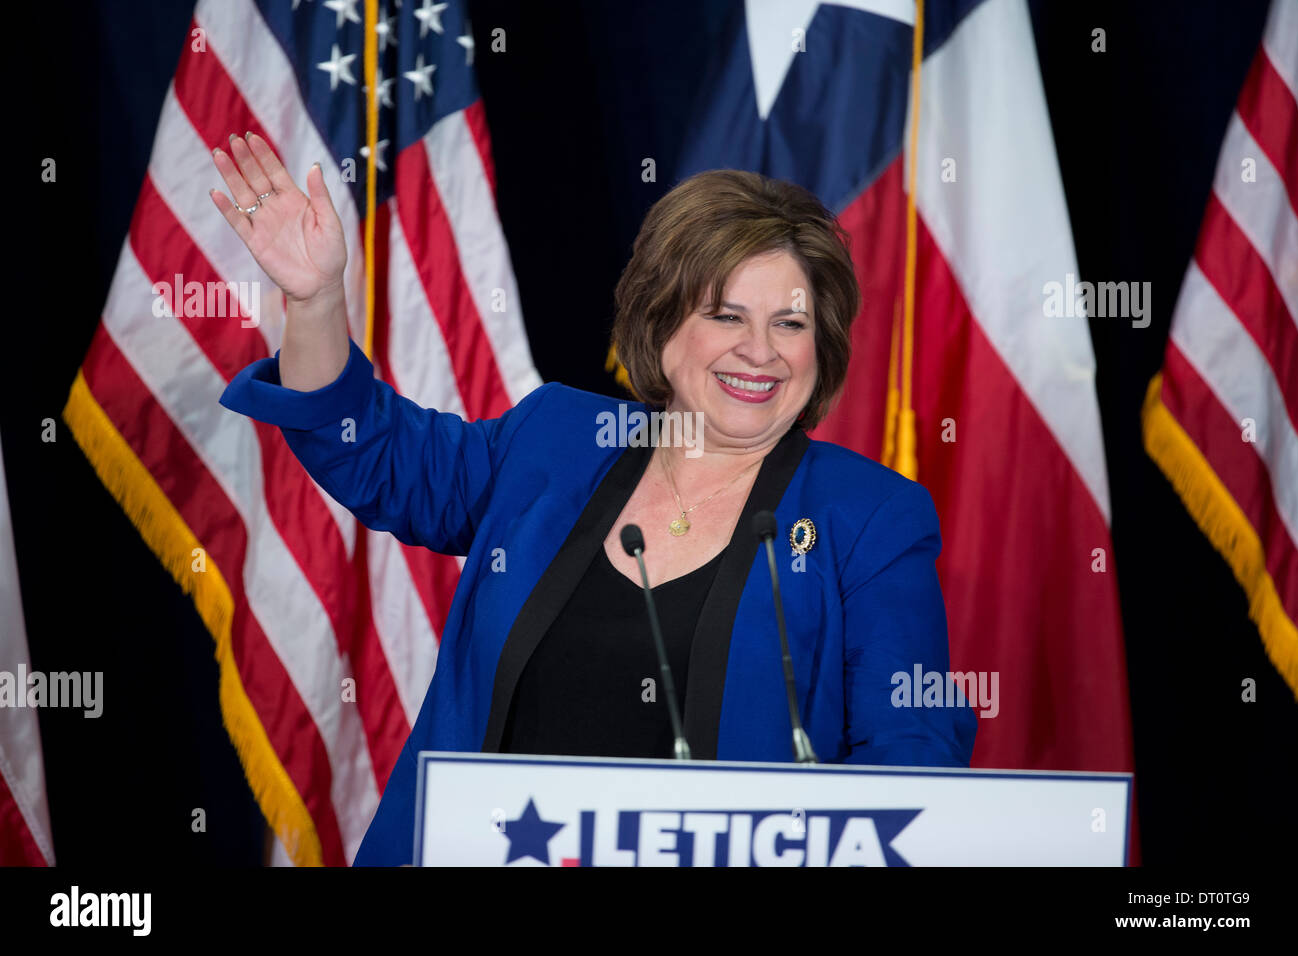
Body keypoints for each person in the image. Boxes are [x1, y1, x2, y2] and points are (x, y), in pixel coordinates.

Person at [210, 133, 977, 866]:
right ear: (663, 320)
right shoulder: (557, 439)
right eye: (726, 315)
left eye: (790, 323)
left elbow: (909, 765)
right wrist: (315, 303)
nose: (761, 350)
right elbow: (377, 453)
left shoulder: (870, 518)